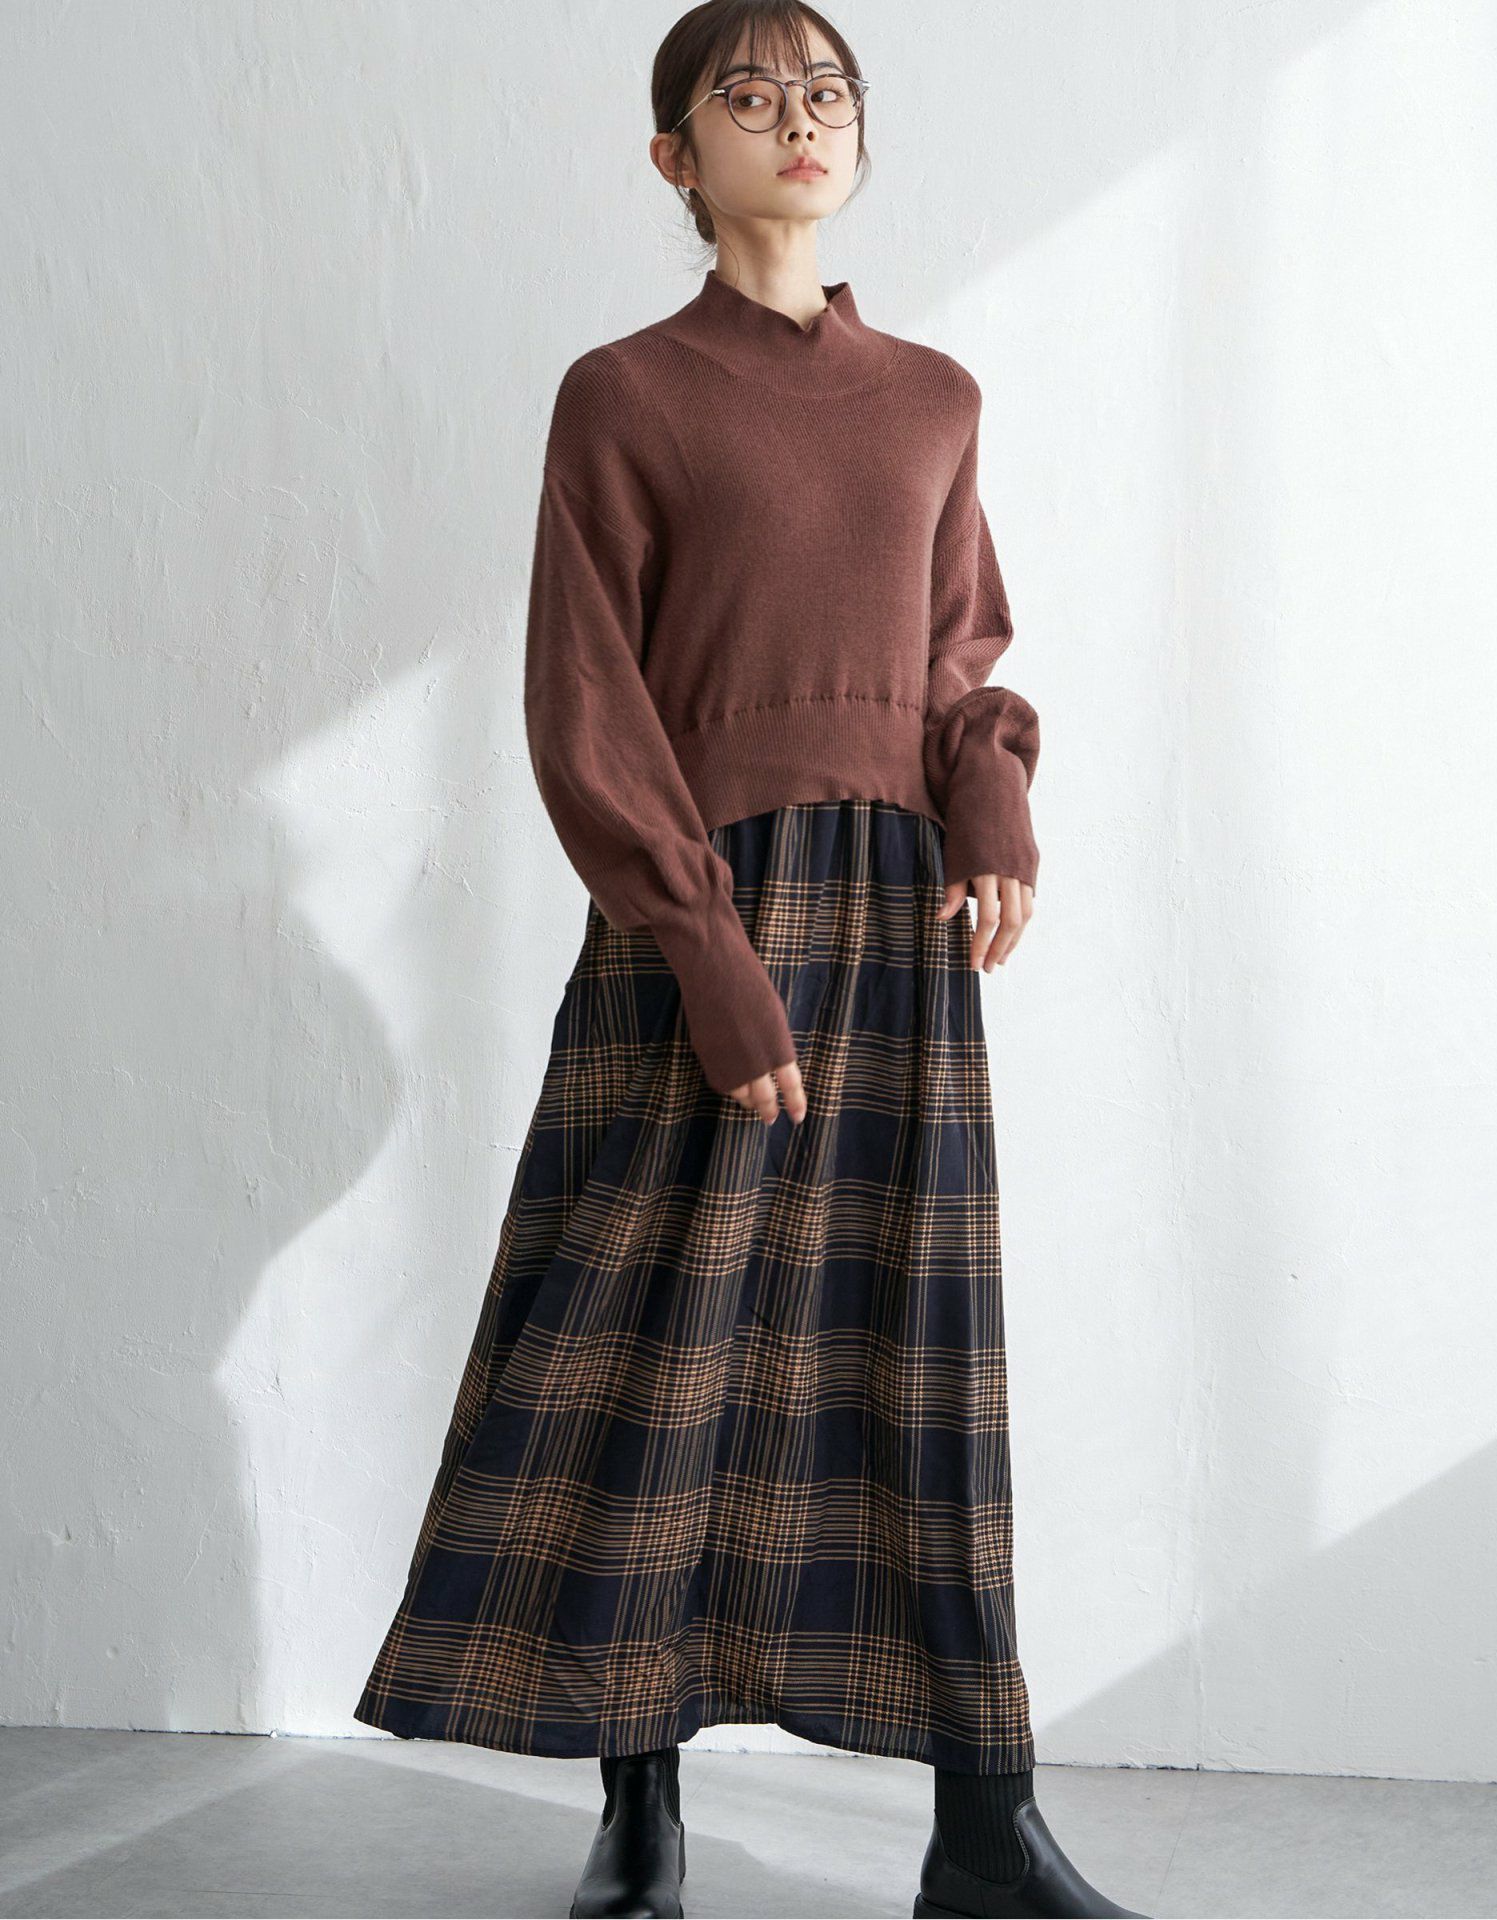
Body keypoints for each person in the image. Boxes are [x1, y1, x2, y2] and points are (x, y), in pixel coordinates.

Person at [354, 5, 1145, 1916]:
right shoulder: (623, 394)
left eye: (830, 92)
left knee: (917, 1358)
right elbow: (586, 701)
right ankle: (638, 1815)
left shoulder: (935, 398)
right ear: (673, 156)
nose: (801, 117)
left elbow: (955, 661)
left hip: (900, 927)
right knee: (653, 1342)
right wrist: (701, 946)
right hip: (699, 914)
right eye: (750, 92)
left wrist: (993, 802)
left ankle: (985, 1826)